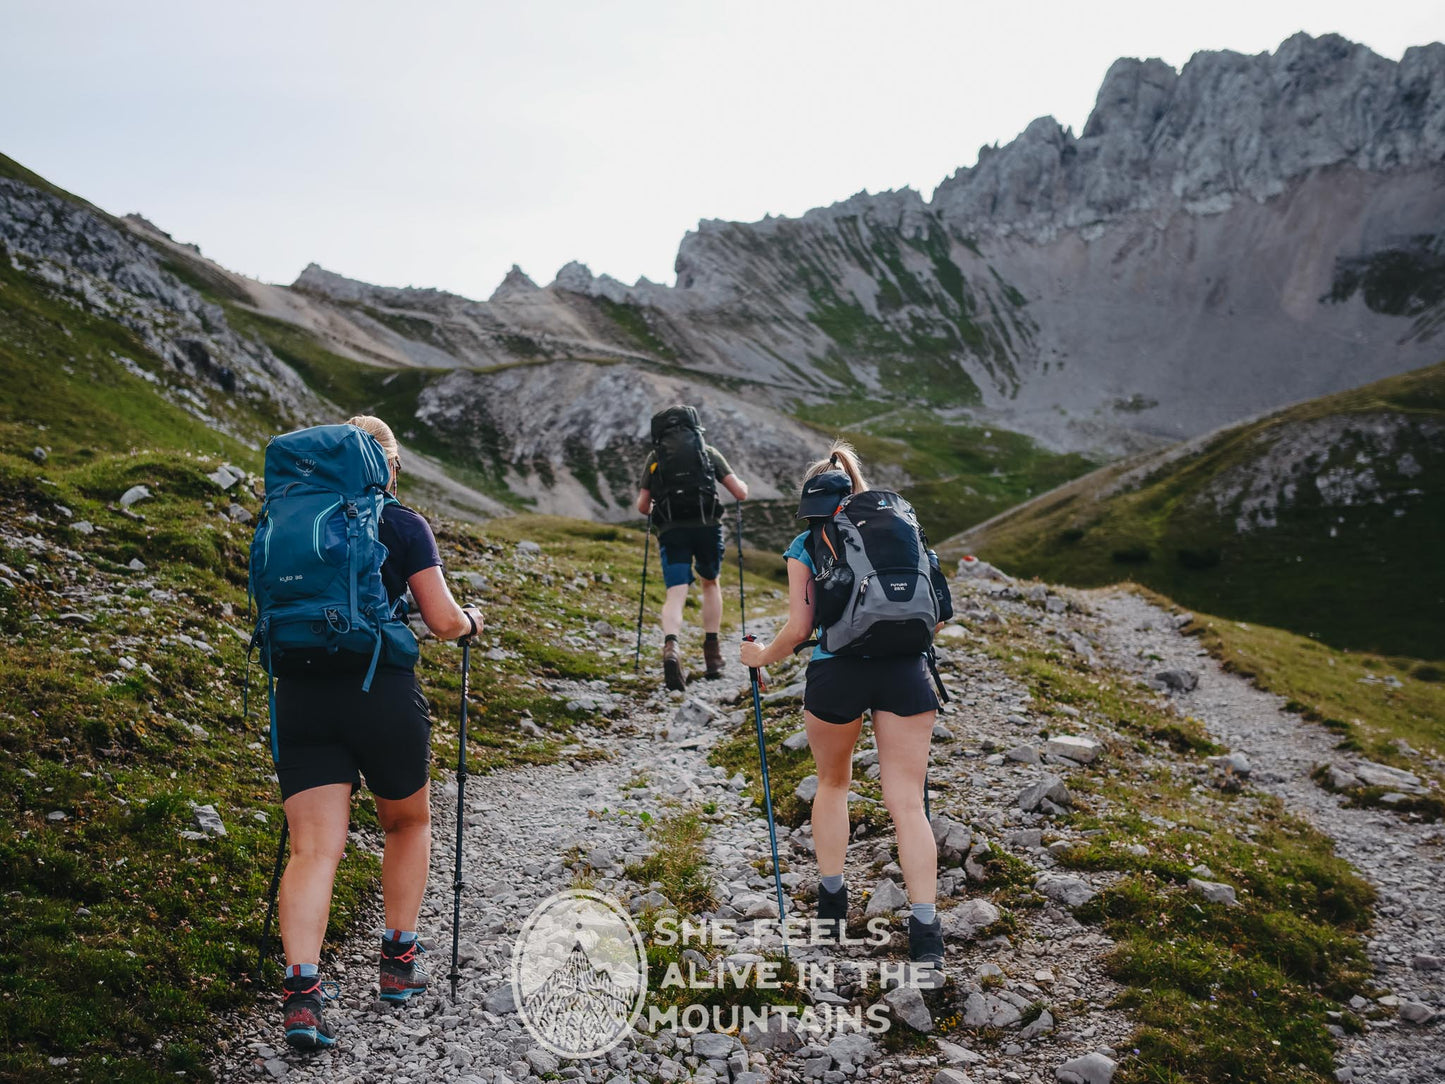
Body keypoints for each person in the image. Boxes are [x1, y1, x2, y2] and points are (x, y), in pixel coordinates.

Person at [274, 415, 483, 1050]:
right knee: (407, 822)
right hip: (381, 691)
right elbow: (442, 621)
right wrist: (471, 620)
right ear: (387, 466)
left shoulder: (289, 523)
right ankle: (397, 967)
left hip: (301, 696)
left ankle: (303, 998)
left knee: (313, 850)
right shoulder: (401, 523)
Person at [738, 441, 945, 969]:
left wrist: (760, 656)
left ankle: (832, 906)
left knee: (833, 784)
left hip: (837, 673)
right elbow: (935, 616)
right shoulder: (904, 532)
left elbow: (800, 628)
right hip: (907, 674)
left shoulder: (807, 541)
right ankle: (926, 934)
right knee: (907, 803)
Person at [636, 405, 748, 691]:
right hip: (707, 526)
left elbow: (642, 506)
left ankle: (671, 648)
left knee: (676, 593)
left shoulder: (655, 457)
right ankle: (713, 657)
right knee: (710, 583)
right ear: (694, 428)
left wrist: (659, 508)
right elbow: (740, 492)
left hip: (672, 531)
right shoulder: (708, 452)